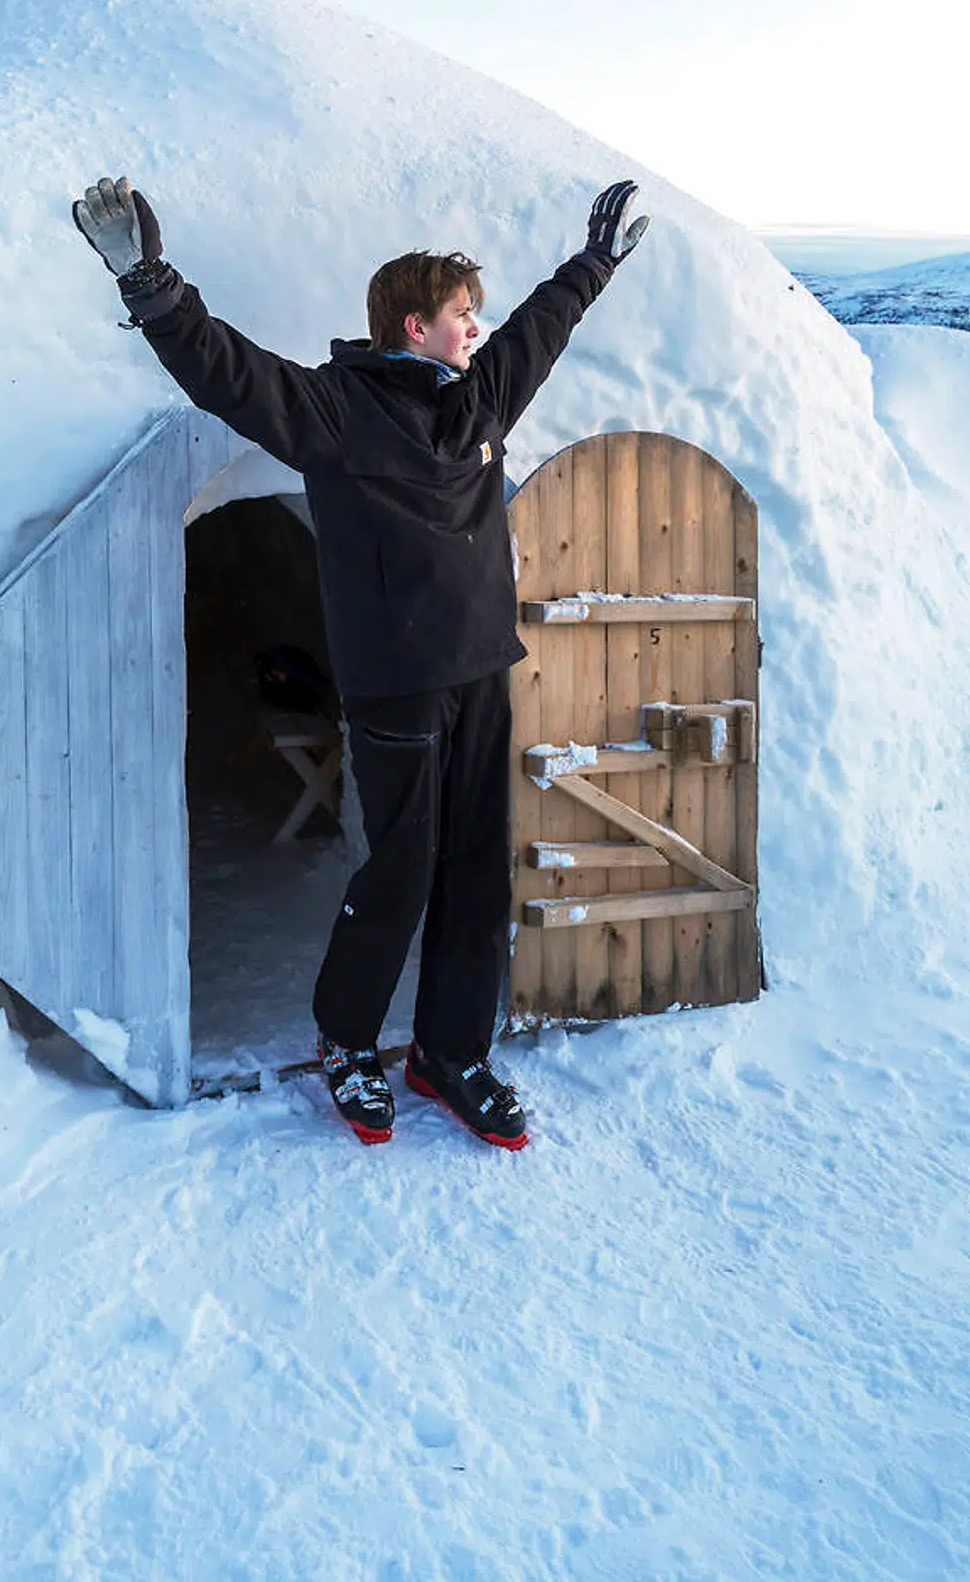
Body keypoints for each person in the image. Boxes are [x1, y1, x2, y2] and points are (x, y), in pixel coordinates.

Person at [73, 174, 649, 1147]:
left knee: (475, 872)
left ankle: (449, 1052)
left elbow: (538, 334)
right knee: (402, 869)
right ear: (414, 325)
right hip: (396, 689)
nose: (478, 329)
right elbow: (226, 371)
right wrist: (150, 282)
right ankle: (348, 1040)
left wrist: (594, 260)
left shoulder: (476, 402)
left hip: (480, 675)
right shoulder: (335, 409)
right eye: (462, 315)